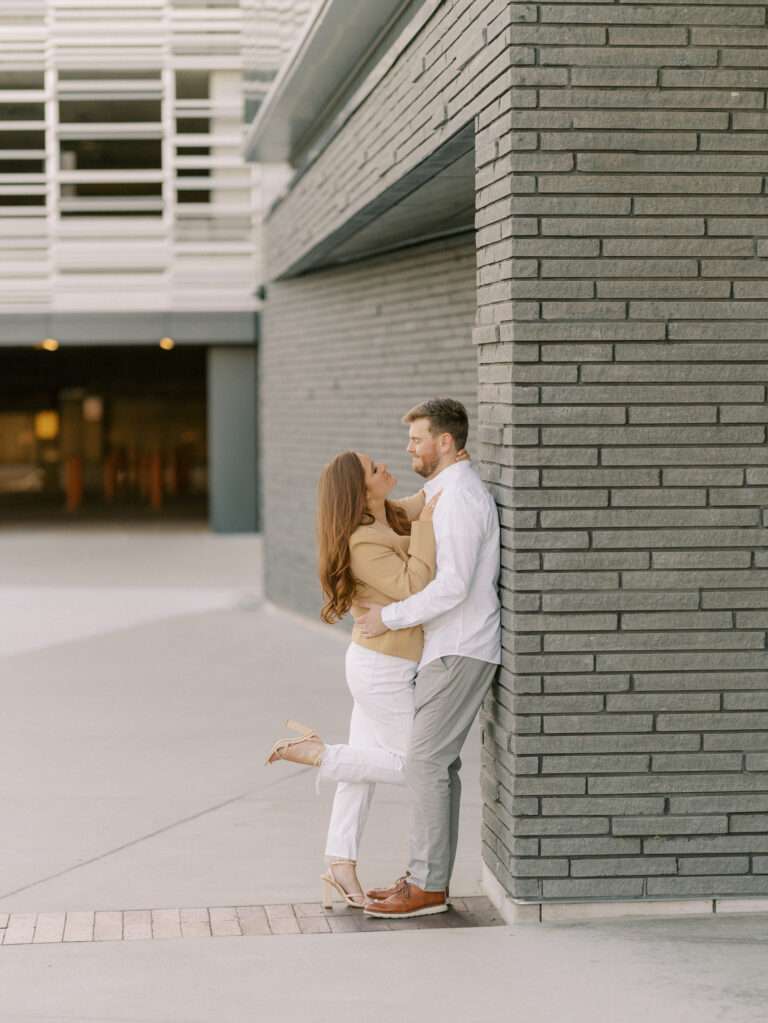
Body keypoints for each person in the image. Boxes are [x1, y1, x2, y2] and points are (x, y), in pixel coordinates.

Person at [265, 449, 442, 908]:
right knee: (418, 767)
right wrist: (427, 527)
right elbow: (414, 586)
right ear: (360, 490)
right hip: (383, 671)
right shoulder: (363, 540)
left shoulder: (387, 515)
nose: (384, 466)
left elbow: (423, 498)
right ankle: (320, 754)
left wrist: (450, 469)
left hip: (377, 663)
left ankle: (339, 862)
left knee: (362, 771)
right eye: (373, 468)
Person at [356, 398, 501, 919]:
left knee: (424, 763)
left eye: (417, 439)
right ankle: (426, 876)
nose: (409, 448)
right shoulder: (442, 490)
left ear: (445, 442)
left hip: (461, 646)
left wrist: (387, 618)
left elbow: (455, 586)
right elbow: (404, 511)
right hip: (446, 647)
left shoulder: (460, 497)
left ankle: (426, 886)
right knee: (438, 765)